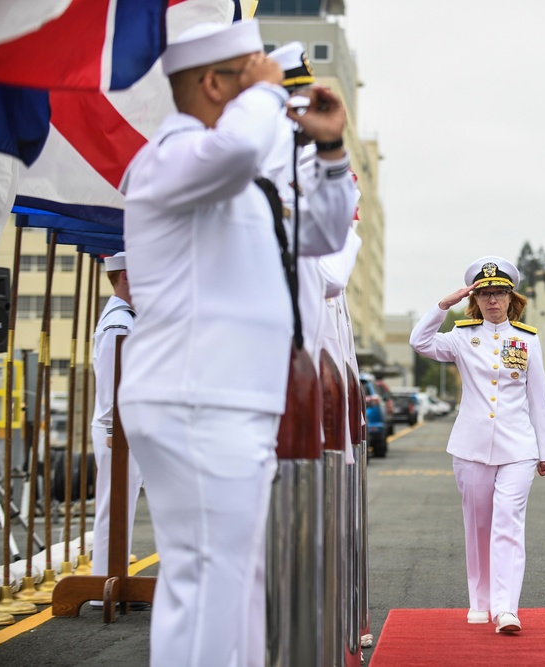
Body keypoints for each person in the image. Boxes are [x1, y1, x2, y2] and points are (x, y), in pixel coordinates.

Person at [119, 19, 356, 666]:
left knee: (240, 583)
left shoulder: (239, 181)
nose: (273, 90)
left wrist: (331, 152)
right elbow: (237, 152)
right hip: (195, 398)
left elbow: (325, 234)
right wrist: (266, 96)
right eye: (254, 73)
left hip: (234, 401)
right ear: (213, 83)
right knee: (207, 585)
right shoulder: (170, 159)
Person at [409, 256, 545, 634]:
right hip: (471, 446)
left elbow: (539, 398)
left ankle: (506, 609)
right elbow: (419, 341)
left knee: (508, 522)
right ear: (476, 299)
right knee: (478, 525)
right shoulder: (461, 335)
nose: (493, 301)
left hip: (518, 447)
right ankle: (480, 602)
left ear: (510, 298)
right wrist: (444, 305)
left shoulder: (527, 339)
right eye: (486, 294)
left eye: (500, 294)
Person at [89, 252, 142, 595]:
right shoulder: (118, 323)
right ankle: (103, 586)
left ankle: (115, 581)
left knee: (122, 507)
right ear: (124, 276)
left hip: (124, 427)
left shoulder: (126, 317)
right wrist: (113, 430)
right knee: (114, 507)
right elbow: (110, 382)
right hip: (117, 429)